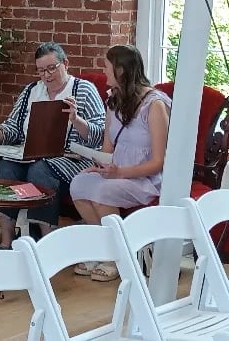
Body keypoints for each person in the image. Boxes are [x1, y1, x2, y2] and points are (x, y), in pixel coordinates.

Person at [0, 42, 106, 248]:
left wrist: (77, 120)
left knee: (40, 170)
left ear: (66, 64)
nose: (46, 75)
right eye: (41, 71)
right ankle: (7, 240)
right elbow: (13, 127)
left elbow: (100, 134)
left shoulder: (84, 90)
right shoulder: (31, 91)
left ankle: (45, 243)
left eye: (51, 68)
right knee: (7, 168)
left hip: (71, 159)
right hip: (30, 154)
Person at [69, 44, 171, 282]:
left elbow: (158, 162)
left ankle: (116, 258)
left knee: (103, 192)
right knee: (79, 184)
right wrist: (99, 166)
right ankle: (103, 249)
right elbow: (108, 149)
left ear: (121, 70)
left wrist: (120, 172)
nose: (103, 71)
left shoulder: (155, 105)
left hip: (145, 178)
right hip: (116, 172)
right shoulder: (113, 100)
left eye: (107, 66)